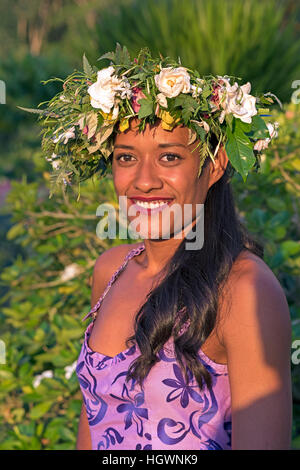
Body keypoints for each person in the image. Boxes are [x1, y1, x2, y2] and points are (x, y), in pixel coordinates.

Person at [24, 44, 292, 450]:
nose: (144, 181)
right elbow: (94, 423)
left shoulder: (244, 288)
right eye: (126, 157)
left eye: (169, 157)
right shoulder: (109, 271)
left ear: (215, 165)